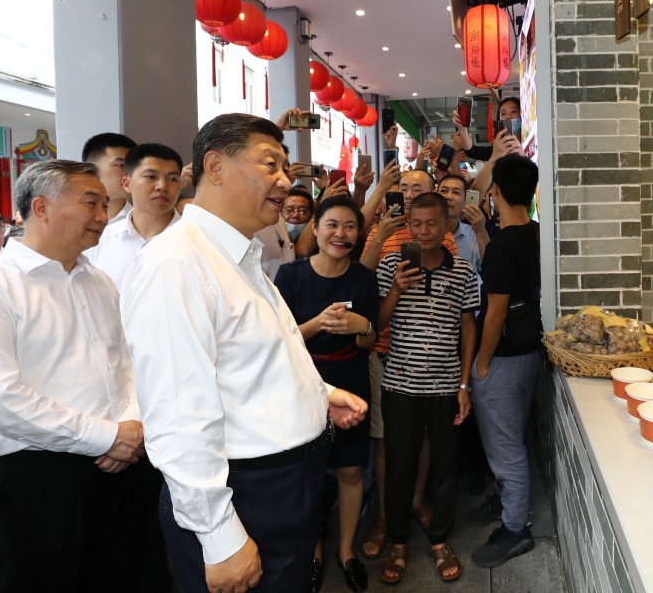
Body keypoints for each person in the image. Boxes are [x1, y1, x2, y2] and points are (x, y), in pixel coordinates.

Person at [120, 113, 368, 593]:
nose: (285, 179)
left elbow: (259, 358)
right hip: (243, 492)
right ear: (215, 166)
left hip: (287, 480)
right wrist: (219, 535)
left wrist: (321, 394)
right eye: (270, 164)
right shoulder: (177, 264)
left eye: (286, 166)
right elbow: (177, 412)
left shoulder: (240, 255)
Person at [0, 160, 148, 592]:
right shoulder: (6, 285)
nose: (103, 216)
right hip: (38, 477)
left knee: (123, 576)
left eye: (105, 204)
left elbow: (130, 361)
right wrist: (106, 437)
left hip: (122, 464)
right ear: (40, 208)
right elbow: (6, 399)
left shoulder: (98, 280)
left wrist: (132, 427)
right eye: (90, 204)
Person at [274, 195, 377, 593]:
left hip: (350, 377)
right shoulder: (290, 276)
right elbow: (280, 342)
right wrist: (318, 323)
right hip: (304, 381)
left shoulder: (364, 279)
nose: (341, 233)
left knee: (350, 470)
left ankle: (346, 550)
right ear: (314, 229)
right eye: (332, 224)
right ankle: (314, 550)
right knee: (309, 473)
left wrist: (361, 323)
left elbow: (370, 342)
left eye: (350, 226)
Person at [357, 168, 461, 560]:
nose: (421, 231)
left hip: (439, 370)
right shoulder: (382, 236)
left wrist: (463, 380)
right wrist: (380, 233)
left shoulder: (448, 247)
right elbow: (363, 283)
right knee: (390, 446)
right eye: (404, 188)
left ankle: (418, 507)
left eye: (418, 188)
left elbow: (459, 312)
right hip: (390, 357)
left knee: (429, 445)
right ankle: (388, 518)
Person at [376, 192, 479, 585]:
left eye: (431, 224)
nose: (423, 231)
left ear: (445, 224)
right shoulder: (391, 266)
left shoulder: (464, 272)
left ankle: (439, 540)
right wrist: (397, 289)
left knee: (445, 467)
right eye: (415, 224)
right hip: (399, 384)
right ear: (408, 225)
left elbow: (467, 327)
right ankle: (398, 541)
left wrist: (464, 383)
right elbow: (379, 323)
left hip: (445, 386)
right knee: (399, 467)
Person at [467, 154, 542, 568]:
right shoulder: (535, 234)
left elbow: (494, 315)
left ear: (494, 192)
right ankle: (505, 501)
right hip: (529, 351)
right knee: (512, 436)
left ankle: (516, 529)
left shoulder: (502, 247)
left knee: (505, 444)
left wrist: (481, 362)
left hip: (504, 358)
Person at [87, 143, 184, 290]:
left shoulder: (196, 240)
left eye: (172, 179)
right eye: (151, 176)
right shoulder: (100, 241)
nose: (162, 186)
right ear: (127, 183)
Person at [82, 132, 138, 223]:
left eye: (134, 166)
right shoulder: (70, 220)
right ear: (91, 169)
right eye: (120, 165)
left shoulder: (141, 225)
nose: (131, 173)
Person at [437, 173, 488, 273]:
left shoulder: (473, 232)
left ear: (465, 201)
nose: (448, 197)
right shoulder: (424, 231)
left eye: (456, 192)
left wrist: (481, 231)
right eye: (443, 191)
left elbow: (491, 267)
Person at [454, 96, 522, 161]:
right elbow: (472, 151)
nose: (508, 116)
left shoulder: (531, 140)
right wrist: (463, 128)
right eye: (503, 114)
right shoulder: (499, 149)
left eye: (514, 111)